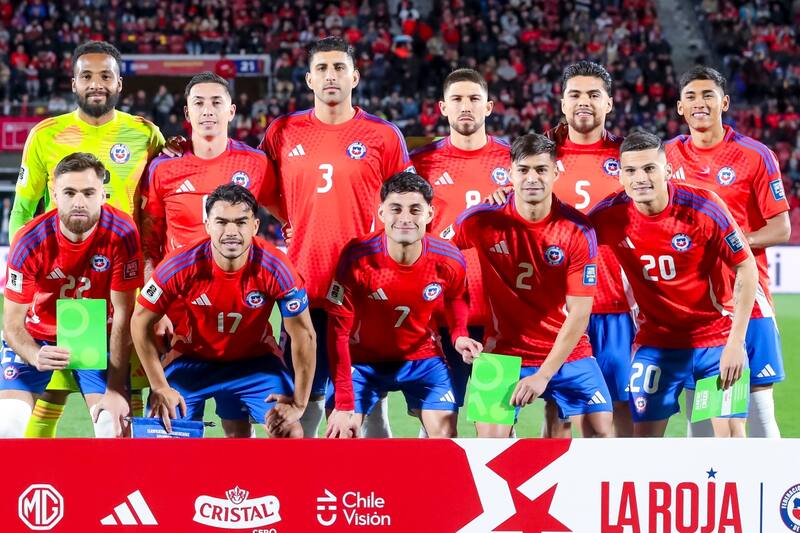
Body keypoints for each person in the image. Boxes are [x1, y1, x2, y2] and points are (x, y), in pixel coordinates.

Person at [259, 36, 413, 438]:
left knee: (368, 408)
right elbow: (260, 187)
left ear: (354, 77)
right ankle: (298, 479)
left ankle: (373, 481)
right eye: (322, 69)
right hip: (303, 288)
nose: (331, 76)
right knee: (300, 404)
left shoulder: (383, 135)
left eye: (339, 68)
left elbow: (407, 203)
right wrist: (291, 216)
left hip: (364, 291)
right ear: (309, 79)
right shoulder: (283, 131)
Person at [9, 41, 164, 437]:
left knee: (121, 399)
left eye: (106, 75)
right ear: (74, 82)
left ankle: (121, 472)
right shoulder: (46, 135)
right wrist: (22, 272)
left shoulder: (145, 134)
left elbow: (158, 209)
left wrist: (154, 276)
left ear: (119, 83)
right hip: (56, 284)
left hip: (119, 282)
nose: (97, 83)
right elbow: (23, 209)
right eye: (87, 76)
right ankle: (32, 474)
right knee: (49, 388)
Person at [589, 131, 758, 437]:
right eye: (631, 171)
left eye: (649, 168)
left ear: (667, 170)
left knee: (731, 439)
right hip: (655, 343)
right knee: (644, 443)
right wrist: (510, 196)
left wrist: (735, 342)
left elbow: (746, 266)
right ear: (621, 176)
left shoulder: (704, 206)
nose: (640, 178)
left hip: (714, 340)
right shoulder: (607, 215)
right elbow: (561, 234)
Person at [450, 134, 613, 438]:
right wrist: (458, 332)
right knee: (489, 444)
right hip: (501, 352)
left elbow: (580, 313)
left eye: (541, 169)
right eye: (523, 170)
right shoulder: (480, 220)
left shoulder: (577, 229)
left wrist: (543, 375)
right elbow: (436, 263)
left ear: (556, 173)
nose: (532, 178)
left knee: (601, 430)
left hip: (567, 352)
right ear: (510, 173)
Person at [141, 73, 281, 408]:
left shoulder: (256, 163)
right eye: (199, 103)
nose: (208, 110)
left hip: (240, 314)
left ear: (231, 111)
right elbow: (149, 245)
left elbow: (288, 217)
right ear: (187, 113)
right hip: (179, 318)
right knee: (173, 421)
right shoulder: (163, 168)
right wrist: (156, 310)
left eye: (216, 102)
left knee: (239, 423)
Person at [130, 184, 316, 438]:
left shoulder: (276, 267)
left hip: (255, 363)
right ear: (207, 225)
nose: (231, 232)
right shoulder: (181, 264)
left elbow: (304, 336)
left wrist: (299, 404)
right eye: (221, 222)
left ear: (255, 226)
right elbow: (140, 321)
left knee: (289, 430)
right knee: (162, 430)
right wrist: (159, 386)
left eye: (241, 222)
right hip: (191, 360)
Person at [665, 66, 791, 438]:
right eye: (691, 96)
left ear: (725, 102)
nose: (699, 103)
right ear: (680, 107)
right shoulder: (667, 156)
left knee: (758, 413)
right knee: (702, 416)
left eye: (708, 95)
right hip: (692, 305)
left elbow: (781, 229)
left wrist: (728, 244)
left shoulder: (754, 155)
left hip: (747, 299)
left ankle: (771, 478)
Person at [325, 172, 481, 438]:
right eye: (396, 209)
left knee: (446, 439)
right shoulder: (356, 257)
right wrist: (343, 402)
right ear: (381, 213)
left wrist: (459, 335)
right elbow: (337, 332)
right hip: (363, 362)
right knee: (341, 434)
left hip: (423, 359)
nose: (405, 218)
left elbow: (456, 298)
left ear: (429, 214)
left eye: (415, 210)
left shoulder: (449, 258)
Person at [0, 153, 142, 438]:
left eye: (88, 193)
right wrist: (34, 354)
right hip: (37, 333)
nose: (79, 202)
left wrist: (115, 388)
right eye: (69, 193)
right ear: (55, 195)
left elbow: (124, 315)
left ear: (102, 195)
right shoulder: (29, 240)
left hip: (95, 333)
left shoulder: (123, 232)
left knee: (112, 427)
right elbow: (12, 324)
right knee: (7, 425)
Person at [410, 69, 509, 431]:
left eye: (473, 99)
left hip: (498, 322)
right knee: (438, 429)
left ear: (489, 107)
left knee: (494, 428)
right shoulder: (420, 164)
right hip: (438, 319)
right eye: (457, 99)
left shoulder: (513, 161)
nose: (466, 106)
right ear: (442, 108)